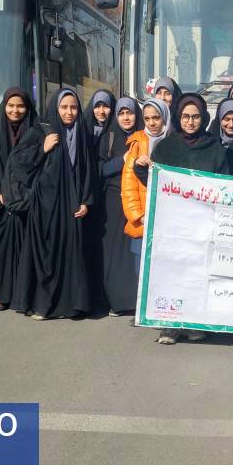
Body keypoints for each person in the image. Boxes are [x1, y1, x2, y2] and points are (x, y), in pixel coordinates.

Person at [6, 89, 93, 320]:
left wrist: (86, 200)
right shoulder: (41, 131)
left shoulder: (81, 132)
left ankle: (69, 306)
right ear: (56, 108)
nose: (69, 112)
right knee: (45, 256)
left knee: (69, 255)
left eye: (73, 107)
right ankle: (42, 306)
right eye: (64, 107)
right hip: (45, 207)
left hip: (72, 205)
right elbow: (16, 161)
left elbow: (88, 169)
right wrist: (42, 149)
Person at [149, 93, 227, 344]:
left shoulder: (215, 149)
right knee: (172, 271)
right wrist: (142, 169)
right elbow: (154, 182)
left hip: (204, 223)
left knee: (197, 273)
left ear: (203, 118)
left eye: (195, 117)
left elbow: (225, 185)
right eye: (185, 116)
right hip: (173, 223)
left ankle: (193, 323)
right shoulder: (165, 148)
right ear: (178, 117)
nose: (190, 122)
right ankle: (170, 326)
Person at [0, 87, 38, 311]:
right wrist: (0, 193)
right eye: (11, 106)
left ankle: (23, 294)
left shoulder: (35, 131)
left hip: (25, 200)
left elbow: (39, 163)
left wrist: (21, 195)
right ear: (4, 107)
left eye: (20, 106)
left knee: (24, 249)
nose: (15, 110)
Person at [98, 96, 143, 316]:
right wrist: (122, 160)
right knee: (114, 251)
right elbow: (100, 170)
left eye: (130, 113)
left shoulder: (144, 137)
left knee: (133, 252)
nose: (126, 118)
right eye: (122, 113)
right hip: (114, 201)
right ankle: (117, 301)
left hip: (137, 201)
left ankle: (136, 301)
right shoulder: (108, 137)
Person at [122, 99, 171, 275]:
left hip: (169, 224)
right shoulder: (137, 142)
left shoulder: (175, 143)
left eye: (156, 118)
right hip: (143, 224)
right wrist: (139, 216)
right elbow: (128, 185)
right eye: (147, 118)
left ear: (165, 117)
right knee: (142, 275)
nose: (151, 123)